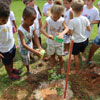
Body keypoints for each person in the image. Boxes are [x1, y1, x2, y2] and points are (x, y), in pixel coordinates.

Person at [41, 5, 69, 74]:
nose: (56, 19)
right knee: (52, 55)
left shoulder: (62, 20)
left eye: (58, 17)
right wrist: (48, 35)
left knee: (60, 56)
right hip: (51, 42)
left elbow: (67, 28)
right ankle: (53, 65)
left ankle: (61, 67)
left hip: (59, 42)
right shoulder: (48, 20)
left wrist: (62, 34)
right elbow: (42, 29)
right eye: (54, 17)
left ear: (60, 15)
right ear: (51, 13)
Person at [68, 0, 91, 74]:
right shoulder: (85, 18)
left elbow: (70, 33)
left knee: (75, 56)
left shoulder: (72, 21)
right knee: (82, 50)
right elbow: (89, 29)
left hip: (76, 41)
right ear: (82, 10)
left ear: (73, 10)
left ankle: (77, 70)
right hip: (84, 40)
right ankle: (83, 56)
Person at [0, 1, 21, 80]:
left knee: (12, 58)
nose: (5, 21)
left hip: (11, 44)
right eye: (3, 21)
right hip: (3, 50)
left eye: (7, 19)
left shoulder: (6, 16)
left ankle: (12, 69)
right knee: (6, 63)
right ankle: (10, 74)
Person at [18, 6, 41, 74]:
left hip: (30, 45)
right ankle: (28, 69)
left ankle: (30, 55)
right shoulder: (20, 30)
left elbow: (35, 36)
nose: (33, 22)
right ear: (24, 18)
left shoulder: (32, 25)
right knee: (26, 59)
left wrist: (39, 46)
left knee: (30, 54)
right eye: (31, 20)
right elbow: (24, 45)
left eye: (34, 20)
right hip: (24, 49)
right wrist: (35, 51)